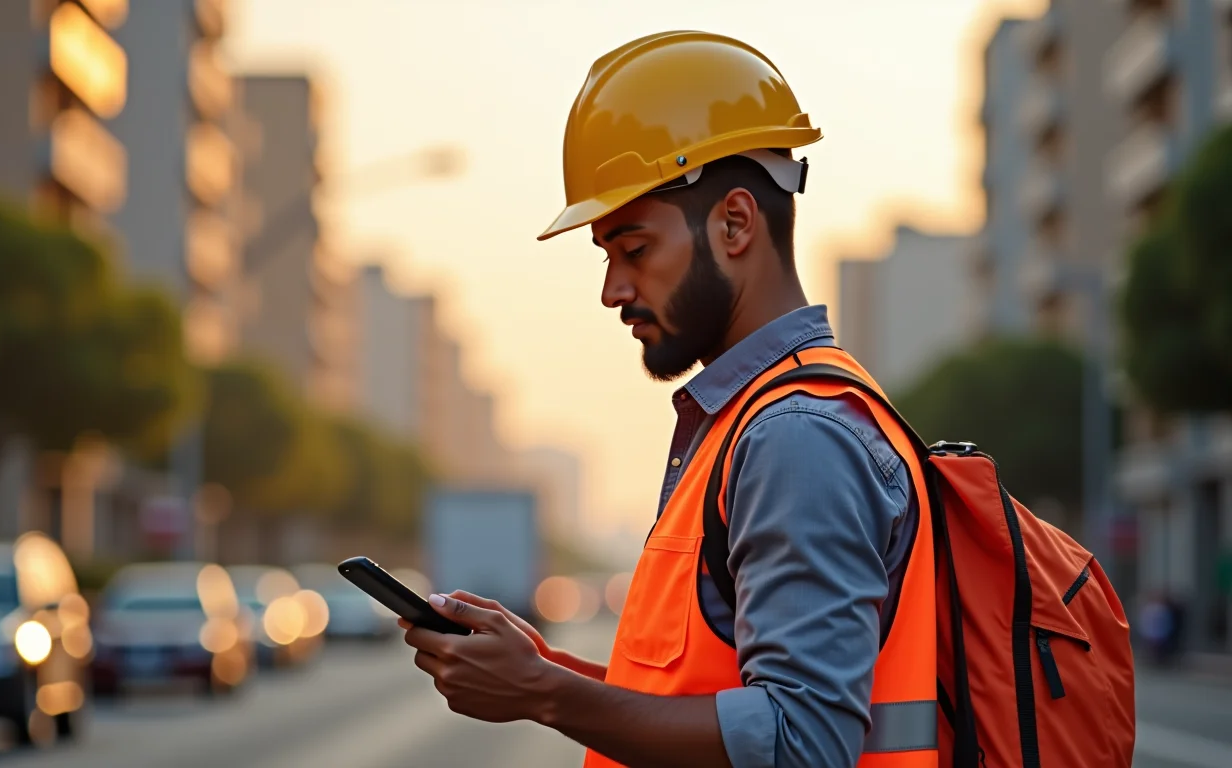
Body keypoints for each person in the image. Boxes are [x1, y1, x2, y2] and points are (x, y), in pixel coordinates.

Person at [400, 31, 938, 768]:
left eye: (635, 249)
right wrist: (547, 672)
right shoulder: (750, 422)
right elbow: (712, 699)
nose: (612, 290)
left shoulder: (796, 436)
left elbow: (801, 743)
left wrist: (546, 696)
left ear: (736, 223)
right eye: (606, 257)